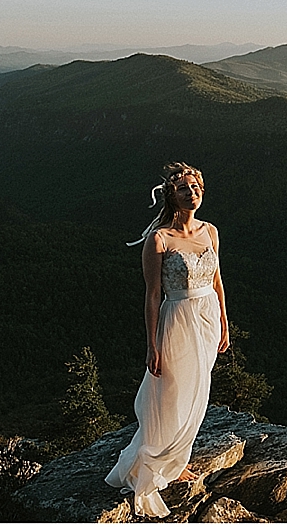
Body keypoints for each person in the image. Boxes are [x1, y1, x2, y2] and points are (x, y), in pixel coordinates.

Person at [105, 162, 230, 518]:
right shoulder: (158, 239)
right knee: (173, 389)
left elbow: (218, 281)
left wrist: (224, 321)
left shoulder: (211, 232)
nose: (192, 194)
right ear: (172, 197)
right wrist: (152, 346)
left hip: (206, 318)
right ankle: (162, 461)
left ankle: (179, 457)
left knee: (197, 389)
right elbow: (152, 294)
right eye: (184, 189)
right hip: (176, 318)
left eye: (196, 188)